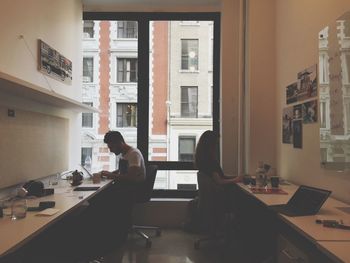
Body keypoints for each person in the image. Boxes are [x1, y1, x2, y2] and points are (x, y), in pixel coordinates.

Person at [194, 130, 242, 234]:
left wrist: (235, 177)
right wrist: (236, 180)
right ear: (211, 144)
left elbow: (219, 177)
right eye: (216, 143)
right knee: (242, 201)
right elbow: (219, 181)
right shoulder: (210, 161)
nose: (217, 145)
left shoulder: (202, 159)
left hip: (210, 199)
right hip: (218, 198)